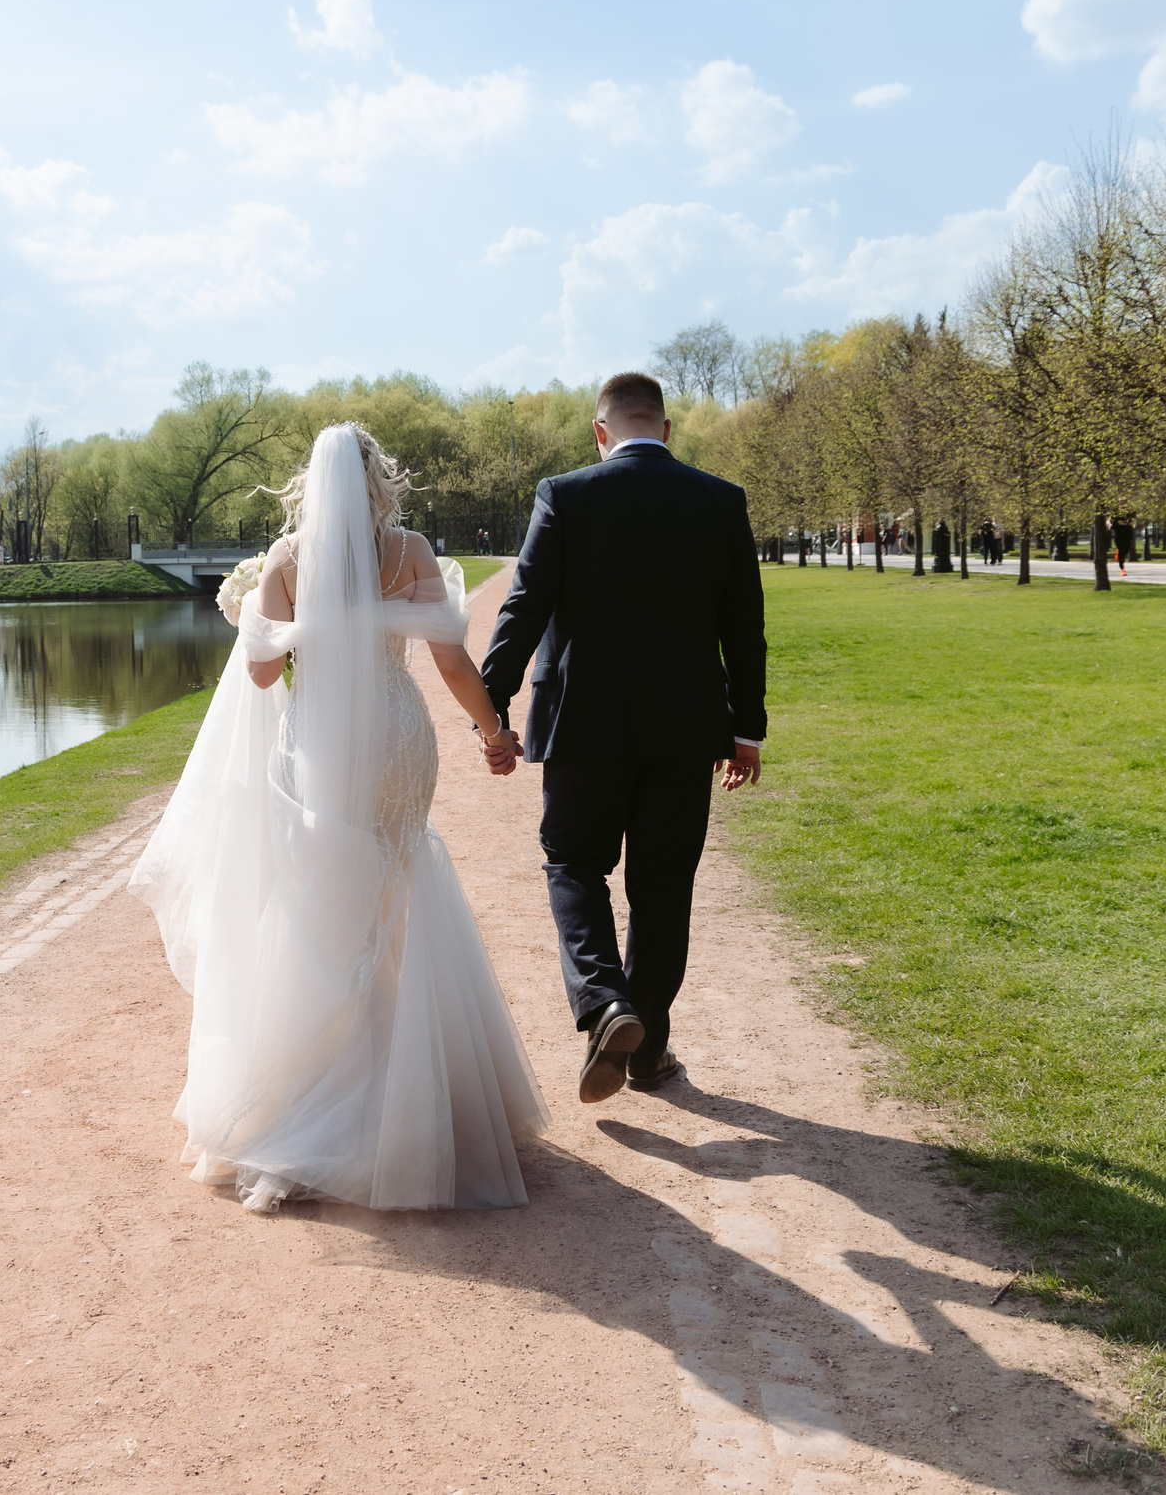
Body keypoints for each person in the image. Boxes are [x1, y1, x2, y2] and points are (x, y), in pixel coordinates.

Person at [130, 423, 548, 1211]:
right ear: (375, 480)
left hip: (317, 743)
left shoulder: (288, 561)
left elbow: (257, 675)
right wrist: (494, 732)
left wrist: (264, 617)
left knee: (317, 909)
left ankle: (306, 1104)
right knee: (393, 893)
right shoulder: (411, 552)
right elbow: (454, 660)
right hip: (396, 738)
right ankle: (409, 1095)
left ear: (309, 486)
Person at [477, 372, 767, 1104]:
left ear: (599, 432)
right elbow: (744, 626)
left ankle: (606, 1003)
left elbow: (525, 604)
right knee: (663, 888)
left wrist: (494, 704)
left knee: (573, 861)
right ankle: (650, 1050)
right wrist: (746, 728)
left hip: (583, 723)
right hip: (685, 728)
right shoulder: (720, 500)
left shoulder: (566, 494)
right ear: (666, 429)